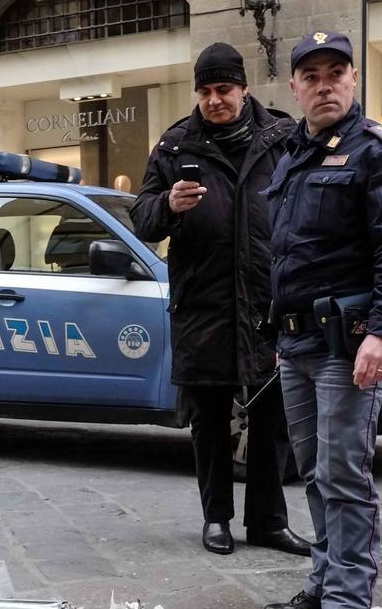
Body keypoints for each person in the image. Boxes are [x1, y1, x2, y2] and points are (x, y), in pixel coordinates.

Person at [259, 32, 382, 609]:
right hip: (297, 343)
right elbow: (286, 256)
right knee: (312, 472)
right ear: (295, 87)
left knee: (344, 477)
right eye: (312, 75)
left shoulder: (381, 152)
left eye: (336, 73)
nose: (324, 84)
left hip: (349, 343)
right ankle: (323, 584)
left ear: (354, 79)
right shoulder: (291, 158)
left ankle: (347, 606)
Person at [130, 43, 312, 558]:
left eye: (224, 90)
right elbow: (141, 219)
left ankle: (269, 521)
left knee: (273, 419)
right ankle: (216, 519)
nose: (214, 101)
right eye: (206, 91)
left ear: (244, 88)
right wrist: (166, 205)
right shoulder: (174, 146)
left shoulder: (282, 138)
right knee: (209, 420)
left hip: (269, 304)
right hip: (204, 305)